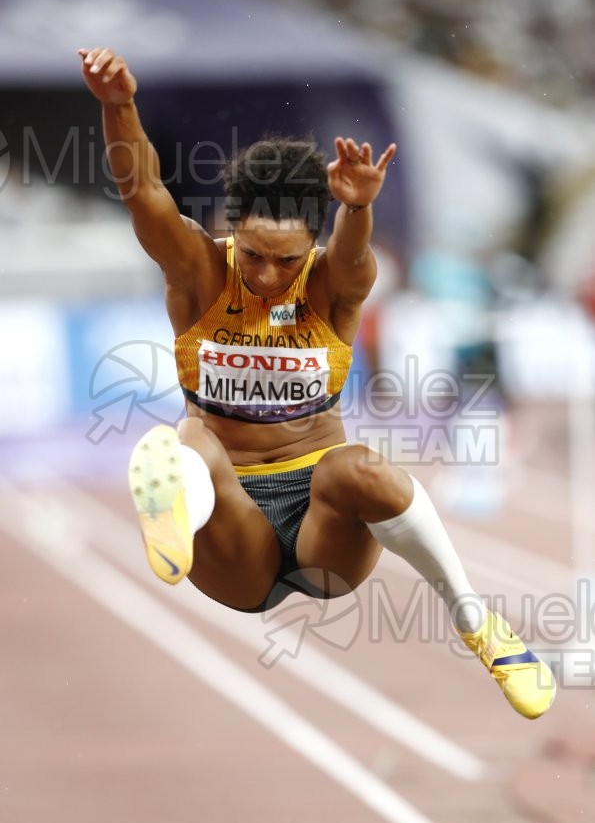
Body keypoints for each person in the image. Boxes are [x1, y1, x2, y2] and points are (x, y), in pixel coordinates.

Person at [79, 46, 556, 720]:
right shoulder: (197, 272)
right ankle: (175, 512)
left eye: (285, 260)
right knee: (190, 446)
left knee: (358, 467)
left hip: (322, 531)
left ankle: (478, 623)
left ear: (312, 247)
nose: (268, 274)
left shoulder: (336, 281)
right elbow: (144, 191)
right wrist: (117, 105)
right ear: (225, 228)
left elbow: (353, 252)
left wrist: (356, 209)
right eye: (252, 256)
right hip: (232, 529)